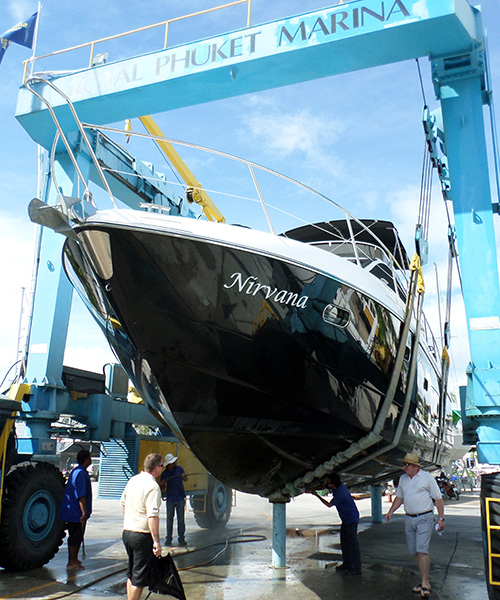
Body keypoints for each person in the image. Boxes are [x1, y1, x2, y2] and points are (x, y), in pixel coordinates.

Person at [385, 453, 445, 598]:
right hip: (409, 519)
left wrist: (441, 518)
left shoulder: (427, 478)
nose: (404, 467)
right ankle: (423, 581)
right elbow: (400, 497)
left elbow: (438, 499)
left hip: (424, 517)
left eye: (407, 464)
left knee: (422, 550)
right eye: (404, 464)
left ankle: (425, 582)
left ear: (415, 466)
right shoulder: (403, 479)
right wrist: (391, 511)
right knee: (415, 552)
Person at [121, 453, 163, 600]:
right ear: (157, 468)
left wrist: (131, 520)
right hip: (141, 535)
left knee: (131, 574)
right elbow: (152, 517)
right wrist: (156, 541)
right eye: (162, 466)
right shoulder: (153, 486)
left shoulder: (133, 480)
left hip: (127, 532)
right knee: (139, 578)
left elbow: (123, 503)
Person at [309, 473, 362, 575]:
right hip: (346, 519)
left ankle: (356, 568)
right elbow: (324, 486)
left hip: (351, 519)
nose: (328, 484)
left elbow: (329, 504)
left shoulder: (340, 494)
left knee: (352, 544)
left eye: (329, 482)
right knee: (344, 542)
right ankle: (347, 564)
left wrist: (316, 495)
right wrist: (312, 489)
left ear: (333, 484)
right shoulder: (337, 486)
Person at [59, 449, 93, 570]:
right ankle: (72, 561)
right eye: (89, 458)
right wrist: (83, 512)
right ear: (86, 459)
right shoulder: (82, 474)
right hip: (76, 512)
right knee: (76, 536)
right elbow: (81, 495)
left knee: (76, 535)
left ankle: (74, 559)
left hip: (72, 511)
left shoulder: (76, 471)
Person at [160, 453, 188, 547]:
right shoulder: (164, 474)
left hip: (180, 498)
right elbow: (161, 487)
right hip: (170, 499)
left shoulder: (179, 469)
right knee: (169, 520)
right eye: (172, 462)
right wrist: (163, 483)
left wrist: (184, 476)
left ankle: (181, 538)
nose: (174, 463)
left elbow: (186, 479)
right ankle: (169, 539)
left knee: (181, 520)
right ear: (168, 464)